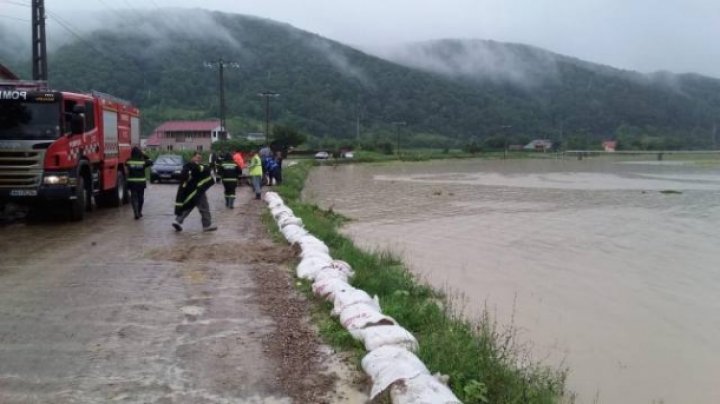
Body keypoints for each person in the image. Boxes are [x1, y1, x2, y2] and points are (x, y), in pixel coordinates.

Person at [172, 151, 217, 232]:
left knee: (189, 205)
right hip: (198, 191)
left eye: (200, 158)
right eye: (197, 157)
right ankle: (207, 225)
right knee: (204, 207)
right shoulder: (193, 167)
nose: (198, 159)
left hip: (191, 192)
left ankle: (177, 221)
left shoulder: (189, 166)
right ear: (192, 157)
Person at [126, 146, 153, 219]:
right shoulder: (143, 162)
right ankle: (139, 211)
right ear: (139, 153)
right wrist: (143, 155)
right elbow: (151, 161)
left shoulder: (129, 161)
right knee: (140, 198)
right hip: (141, 183)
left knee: (134, 198)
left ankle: (136, 212)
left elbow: (126, 164)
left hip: (132, 183)